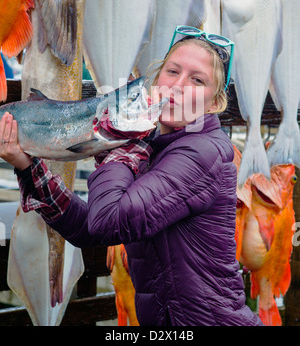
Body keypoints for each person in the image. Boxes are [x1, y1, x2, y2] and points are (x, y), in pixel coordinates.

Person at [0, 26, 263, 326]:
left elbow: (108, 220)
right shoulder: (155, 147)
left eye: (197, 80)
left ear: (214, 104)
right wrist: (25, 165)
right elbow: (88, 229)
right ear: (156, 80)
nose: (178, 86)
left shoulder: (203, 153)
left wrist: (121, 143)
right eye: (172, 71)